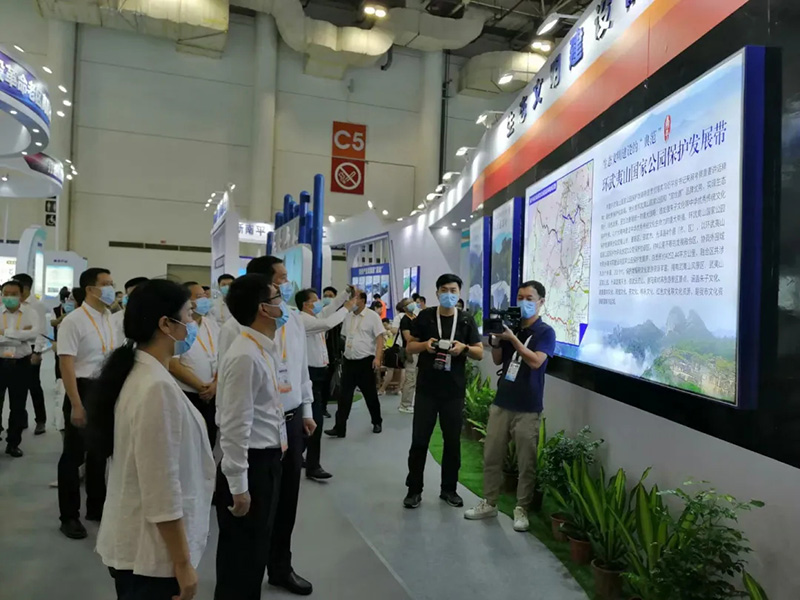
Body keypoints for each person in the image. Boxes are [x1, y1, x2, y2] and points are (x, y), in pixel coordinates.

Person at [92, 279, 214, 600]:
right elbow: (161, 487)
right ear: (166, 324)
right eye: (187, 314)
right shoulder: (155, 386)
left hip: (142, 547)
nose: (192, 323)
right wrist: (182, 562)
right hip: (151, 557)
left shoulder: (143, 371)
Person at [217, 256, 315, 596]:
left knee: (283, 504)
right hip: (254, 435)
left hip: (286, 425)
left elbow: (300, 367)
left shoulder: (291, 320)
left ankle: (279, 567)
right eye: (280, 281)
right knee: (250, 525)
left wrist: (306, 408)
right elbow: (233, 405)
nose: (286, 287)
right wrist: (236, 479)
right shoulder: (238, 335)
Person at [465, 281, 556, 532]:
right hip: (502, 402)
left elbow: (536, 362)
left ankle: (521, 508)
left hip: (528, 406)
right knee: (492, 455)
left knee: (526, 461)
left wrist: (514, 339)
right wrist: (496, 340)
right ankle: (489, 502)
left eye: (529, 298)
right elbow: (497, 359)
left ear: (541, 302)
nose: (524, 302)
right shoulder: (510, 327)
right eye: (520, 297)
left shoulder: (545, 332)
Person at [403, 274, 483, 509]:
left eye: (453, 290)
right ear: (437, 292)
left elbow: (479, 352)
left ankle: (449, 489)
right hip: (427, 389)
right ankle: (414, 490)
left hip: (453, 392)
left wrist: (464, 348)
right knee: (419, 441)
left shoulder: (466, 320)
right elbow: (409, 347)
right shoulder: (426, 317)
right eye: (445, 290)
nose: (449, 294)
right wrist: (425, 346)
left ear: (459, 293)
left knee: (452, 443)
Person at [56, 267, 117, 540]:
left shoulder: (109, 318)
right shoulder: (74, 321)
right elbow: (66, 364)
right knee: (74, 455)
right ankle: (69, 516)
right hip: (82, 388)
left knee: (99, 453)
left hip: (104, 389)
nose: (111, 288)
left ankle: (96, 506)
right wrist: (76, 404)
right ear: (90, 289)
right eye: (106, 283)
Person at [295, 286, 355, 481]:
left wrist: (345, 294)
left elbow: (329, 310)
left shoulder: (314, 317)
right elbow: (329, 322)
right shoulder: (304, 320)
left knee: (311, 420)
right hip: (310, 375)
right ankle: (312, 465)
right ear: (306, 304)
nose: (320, 302)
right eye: (316, 300)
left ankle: (297, 456)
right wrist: (347, 307)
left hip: (319, 374)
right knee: (315, 422)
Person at [324, 291, 385, 438]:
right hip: (349, 361)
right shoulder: (348, 316)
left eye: (355, 299)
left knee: (370, 395)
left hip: (365, 362)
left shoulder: (372, 316)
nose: (352, 301)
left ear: (362, 300)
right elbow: (345, 336)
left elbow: (380, 339)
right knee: (344, 396)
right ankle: (339, 428)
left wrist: (378, 358)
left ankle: (377, 421)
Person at [168, 282, 219, 448]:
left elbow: (222, 357)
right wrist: (201, 387)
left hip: (213, 393)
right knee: (189, 443)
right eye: (198, 297)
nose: (204, 299)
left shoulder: (211, 324)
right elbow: (173, 363)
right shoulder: (179, 326)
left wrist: (215, 384)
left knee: (210, 438)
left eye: (204, 295)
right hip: (188, 393)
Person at [0, 280, 39, 457]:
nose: (9, 297)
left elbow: (34, 334)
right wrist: (20, 336)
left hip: (21, 364)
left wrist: (6, 334)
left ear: (21, 295)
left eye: (13, 294)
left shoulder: (30, 313)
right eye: (5, 294)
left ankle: (13, 442)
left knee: (18, 405)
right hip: (0, 362)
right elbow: (27, 336)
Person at [13, 273, 47, 435]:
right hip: (14, 348)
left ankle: (40, 420)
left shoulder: (36, 305)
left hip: (32, 349)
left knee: (33, 386)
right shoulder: (13, 303)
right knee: (16, 386)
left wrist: (37, 352)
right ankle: (21, 418)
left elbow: (41, 330)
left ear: (25, 287)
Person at [321, 286, 344, 419]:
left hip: (331, 353)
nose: (327, 298)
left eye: (330, 296)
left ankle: (323, 407)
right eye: (325, 296)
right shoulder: (319, 314)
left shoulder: (338, 316)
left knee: (327, 382)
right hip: (317, 354)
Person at [395, 298, 419, 414]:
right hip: (410, 351)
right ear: (404, 308)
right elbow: (408, 338)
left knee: (414, 379)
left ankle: (410, 402)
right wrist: (419, 337)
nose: (412, 304)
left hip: (418, 350)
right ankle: (405, 404)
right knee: (410, 379)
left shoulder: (415, 317)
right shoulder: (405, 320)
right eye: (409, 303)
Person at [111, 277, 149, 343]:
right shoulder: (115, 319)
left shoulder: (161, 318)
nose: (133, 300)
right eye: (130, 296)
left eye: (137, 296)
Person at [378, 317, 402, 396]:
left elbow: (389, 343)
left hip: (392, 351)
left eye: (385, 325)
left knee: (390, 370)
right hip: (400, 349)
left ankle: (382, 389)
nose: (384, 327)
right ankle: (399, 389)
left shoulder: (392, 331)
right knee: (402, 370)